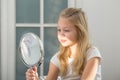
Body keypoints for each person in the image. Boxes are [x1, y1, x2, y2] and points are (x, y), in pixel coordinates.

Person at [26, 7, 102, 80]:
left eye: (66, 30)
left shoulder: (92, 54)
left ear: (80, 32)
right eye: (59, 30)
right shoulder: (57, 58)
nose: (61, 34)